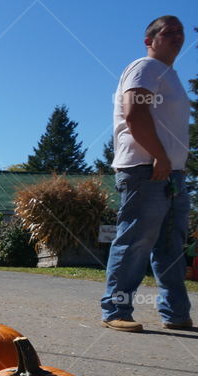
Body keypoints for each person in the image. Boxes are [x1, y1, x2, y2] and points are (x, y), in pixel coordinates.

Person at [101, 15, 192, 332]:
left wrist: (173, 160)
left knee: (170, 246)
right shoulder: (145, 67)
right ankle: (116, 310)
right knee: (136, 241)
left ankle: (176, 314)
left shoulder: (170, 75)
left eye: (181, 32)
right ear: (149, 40)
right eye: (169, 32)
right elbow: (134, 113)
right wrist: (160, 157)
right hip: (145, 168)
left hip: (171, 173)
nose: (178, 36)